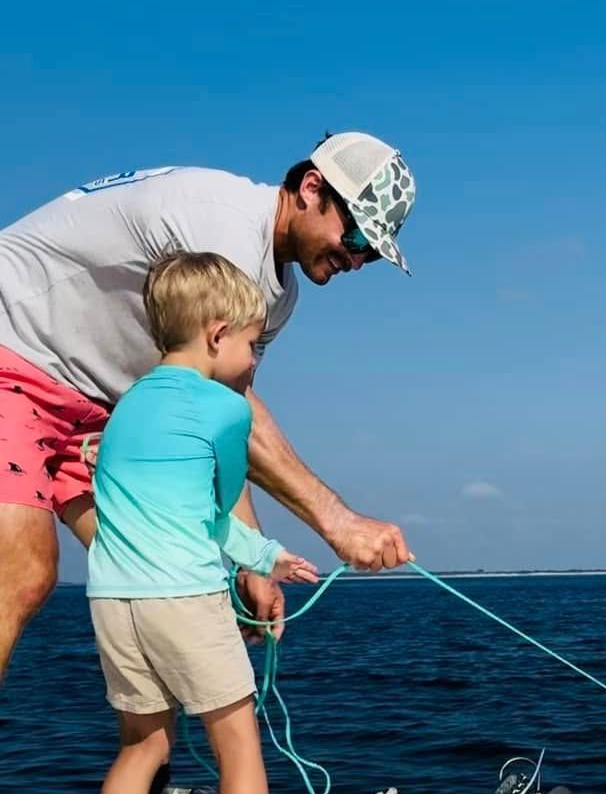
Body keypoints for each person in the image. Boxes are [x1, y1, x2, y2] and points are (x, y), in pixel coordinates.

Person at [0, 131, 417, 686]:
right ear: (311, 188)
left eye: (373, 251)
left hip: (95, 412)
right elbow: (227, 402)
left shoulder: (276, 295)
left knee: (166, 589)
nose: (358, 258)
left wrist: (250, 557)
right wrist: (337, 522)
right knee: (23, 571)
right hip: (15, 354)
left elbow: (216, 417)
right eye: (359, 233)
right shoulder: (221, 232)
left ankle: (147, 766)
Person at [63, 250, 346, 794]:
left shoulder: (128, 404)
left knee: (142, 744)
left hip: (114, 598)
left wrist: (267, 559)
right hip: (184, 599)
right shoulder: (223, 408)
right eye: (253, 344)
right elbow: (220, 511)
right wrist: (264, 555)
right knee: (238, 748)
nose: (254, 362)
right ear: (217, 334)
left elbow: (160, 507)